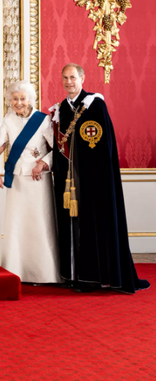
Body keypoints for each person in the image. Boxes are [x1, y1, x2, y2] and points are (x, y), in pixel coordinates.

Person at [51, 63, 149, 293]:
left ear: (82, 78)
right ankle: (73, 276)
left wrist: (91, 174)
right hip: (68, 181)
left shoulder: (95, 105)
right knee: (71, 226)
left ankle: (94, 278)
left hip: (94, 181)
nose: (69, 82)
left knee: (92, 224)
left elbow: (104, 146)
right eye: (65, 78)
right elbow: (57, 146)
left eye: (73, 77)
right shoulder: (61, 110)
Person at [0, 81, 59, 283]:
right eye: (15, 99)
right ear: (9, 101)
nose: (19, 102)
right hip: (18, 179)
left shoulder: (43, 120)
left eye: (22, 98)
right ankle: (18, 271)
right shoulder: (8, 119)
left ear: (30, 99)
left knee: (40, 224)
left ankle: (46, 273)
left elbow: (58, 149)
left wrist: (44, 164)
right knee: (18, 225)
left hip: (39, 180)